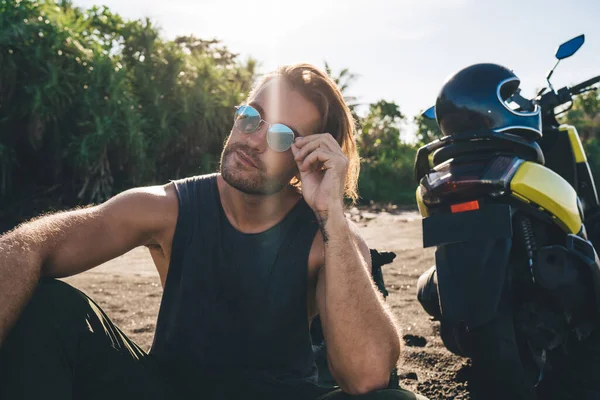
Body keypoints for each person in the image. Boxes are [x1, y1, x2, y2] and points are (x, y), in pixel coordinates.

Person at [0, 64, 427, 400]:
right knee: (43, 303)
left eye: (281, 136)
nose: (255, 139)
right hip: (167, 393)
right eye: (251, 117)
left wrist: (332, 214)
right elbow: (29, 245)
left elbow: (369, 375)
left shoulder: (329, 240)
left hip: (282, 396)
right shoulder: (166, 209)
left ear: (308, 158)